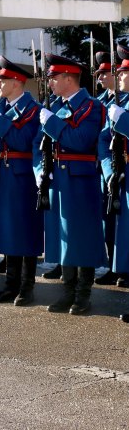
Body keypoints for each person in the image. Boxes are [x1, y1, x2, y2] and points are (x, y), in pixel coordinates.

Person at [39, 54, 106, 315]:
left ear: (69, 78)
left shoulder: (92, 107)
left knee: (82, 237)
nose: (51, 82)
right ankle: (67, 292)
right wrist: (39, 170)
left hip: (81, 179)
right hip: (58, 178)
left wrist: (52, 123)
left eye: (55, 77)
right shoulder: (55, 106)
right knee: (63, 237)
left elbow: (80, 140)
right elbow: (39, 144)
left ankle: (83, 295)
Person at [0, 56, 43, 306]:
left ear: (17, 82)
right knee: (7, 229)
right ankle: (10, 284)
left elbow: (23, 141)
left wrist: (0, 124)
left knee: (25, 230)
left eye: (2, 80)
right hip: (2, 173)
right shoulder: (1, 108)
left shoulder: (33, 109)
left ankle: (27, 287)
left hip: (22, 175)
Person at [99, 39, 129, 323]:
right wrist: (110, 170)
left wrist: (124, 122)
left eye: (123, 71)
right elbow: (104, 142)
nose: (118, 75)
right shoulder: (119, 104)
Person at [93, 51, 122, 287]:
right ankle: (115, 265)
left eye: (105, 73)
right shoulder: (102, 100)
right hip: (109, 169)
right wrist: (107, 168)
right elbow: (103, 139)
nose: (101, 77)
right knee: (109, 220)